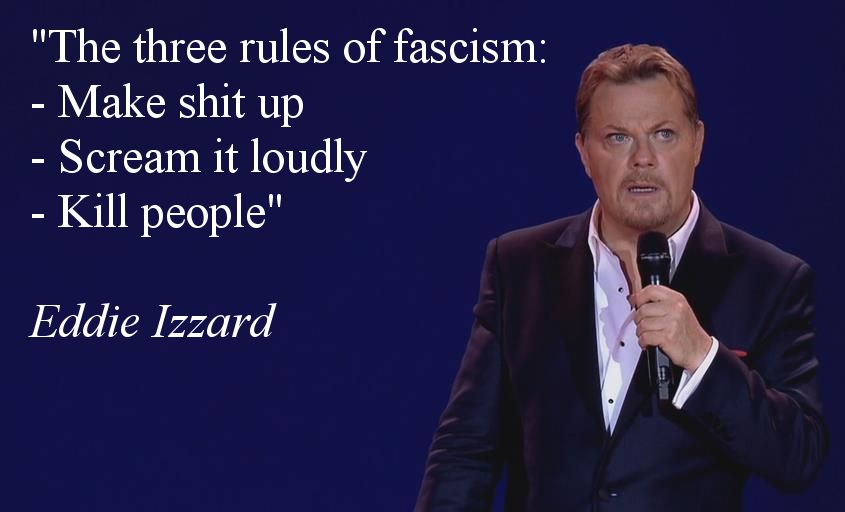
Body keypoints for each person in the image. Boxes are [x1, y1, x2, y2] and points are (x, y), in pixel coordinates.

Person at [414, 43, 828, 512]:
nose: (642, 159)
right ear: (583, 152)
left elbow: (799, 455)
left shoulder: (769, 279)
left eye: (664, 134)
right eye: (618, 138)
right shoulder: (518, 265)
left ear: (697, 143)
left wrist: (703, 358)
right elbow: (466, 450)